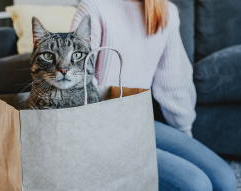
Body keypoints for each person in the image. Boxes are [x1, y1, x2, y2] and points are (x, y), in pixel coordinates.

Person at [71, 0, 237, 190]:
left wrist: (184, 134)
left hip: (141, 122)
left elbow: (175, 82)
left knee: (226, 180)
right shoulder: (94, 6)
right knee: (196, 185)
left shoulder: (165, 10)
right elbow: (77, 77)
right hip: (102, 129)